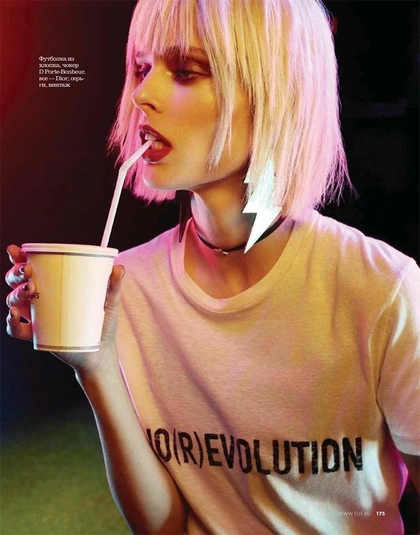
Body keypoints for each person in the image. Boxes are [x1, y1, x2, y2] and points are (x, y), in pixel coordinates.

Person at [5, 0, 419, 533]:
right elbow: (165, 527)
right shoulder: (125, 289)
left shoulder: (381, 290)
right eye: (142, 67)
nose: (142, 95)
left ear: (276, 92)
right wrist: (95, 363)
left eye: (186, 71)